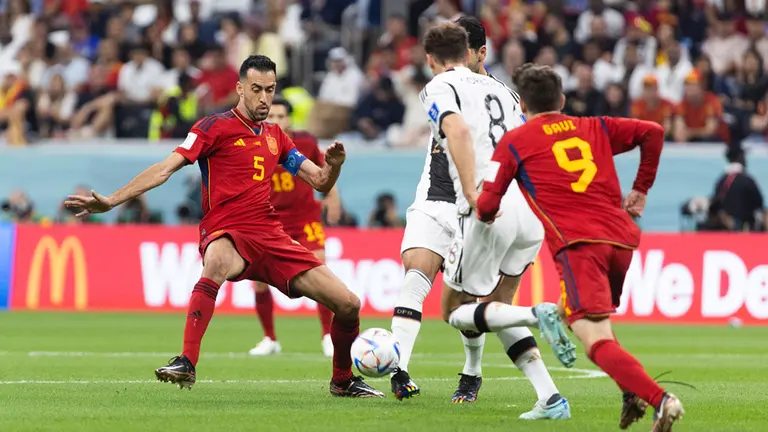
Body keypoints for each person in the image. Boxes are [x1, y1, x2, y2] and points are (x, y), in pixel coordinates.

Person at [64, 55, 384, 398]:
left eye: (270, 90)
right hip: (227, 230)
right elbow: (164, 168)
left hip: (271, 236)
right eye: (257, 89)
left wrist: (333, 167)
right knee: (216, 262)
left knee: (349, 303)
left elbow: (319, 182)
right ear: (240, 88)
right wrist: (112, 200)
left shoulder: (278, 137)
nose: (264, 98)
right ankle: (187, 361)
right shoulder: (212, 127)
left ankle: (342, 380)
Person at [476, 63, 684, 430]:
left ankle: (661, 399)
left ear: (522, 104)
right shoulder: (595, 126)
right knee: (592, 322)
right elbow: (653, 132)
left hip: (579, 246)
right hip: (620, 240)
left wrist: (484, 210)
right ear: (563, 99)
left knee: (592, 336)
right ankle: (629, 392)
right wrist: (640, 189)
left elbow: (487, 204)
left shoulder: (516, 141)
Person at [392, 19, 573, 419]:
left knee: (456, 310)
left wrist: (474, 191)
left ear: (430, 59)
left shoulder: (440, 86)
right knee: (491, 306)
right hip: (527, 208)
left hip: (486, 206)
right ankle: (550, 397)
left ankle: (533, 316)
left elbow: (455, 130)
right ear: (468, 51)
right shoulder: (505, 92)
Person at [248, 97, 342, 358]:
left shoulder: (306, 143)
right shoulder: (254, 143)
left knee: (320, 271)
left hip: (304, 218)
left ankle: (327, 336)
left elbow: (324, 172)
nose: (275, 121)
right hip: (269, 220)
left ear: (289, 119)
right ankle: (269, 338)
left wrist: (332, 198)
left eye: (280, 116)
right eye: (271, 117)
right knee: (259, 281)